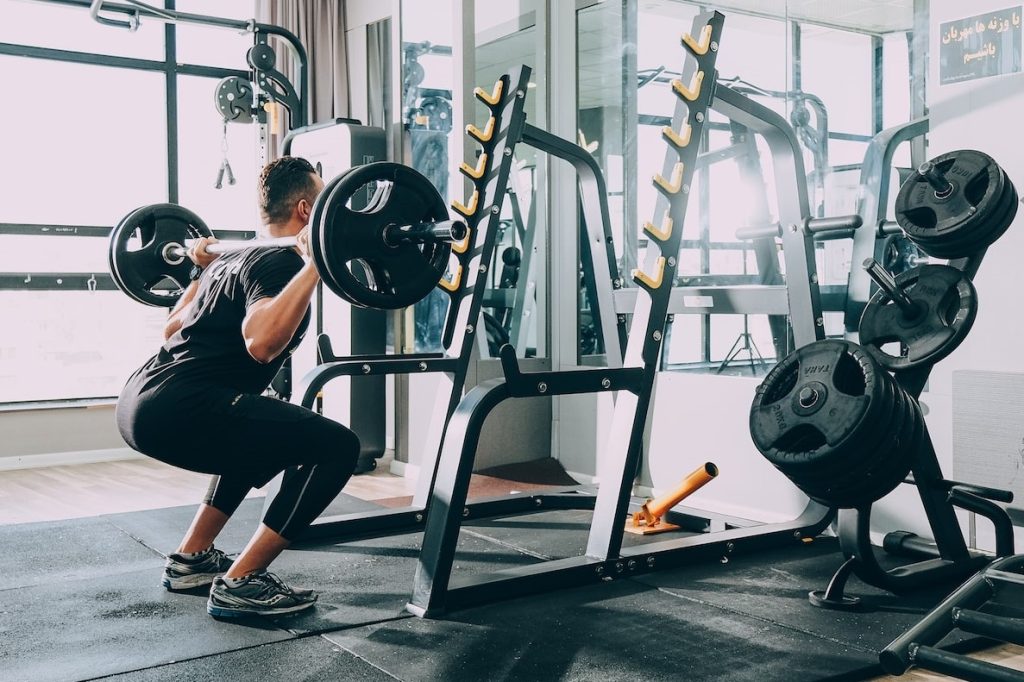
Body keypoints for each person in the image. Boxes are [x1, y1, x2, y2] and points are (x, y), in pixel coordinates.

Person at [115, 156, 360, 619]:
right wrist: (314, 265)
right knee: (337, 447)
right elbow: (262, 344)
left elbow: (171, 331)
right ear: (307, 212)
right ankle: (241, 582)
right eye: (325, 201)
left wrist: (197, 270)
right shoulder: (282, 262)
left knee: (257, 428)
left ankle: (192, 559)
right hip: (180, 405)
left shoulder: (232, 258)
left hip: (141, 400)